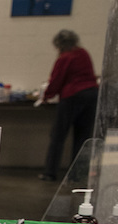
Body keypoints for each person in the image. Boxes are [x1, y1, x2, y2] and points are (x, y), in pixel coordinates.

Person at [38, 29, 100, 182]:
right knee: (83, 137)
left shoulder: (64, 57)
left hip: (72, 96)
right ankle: (78, 174)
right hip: (92, 95)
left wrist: (46, 96)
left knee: (58, 136)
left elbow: (57, 79)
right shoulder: (83, 53)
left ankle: (50, 172)